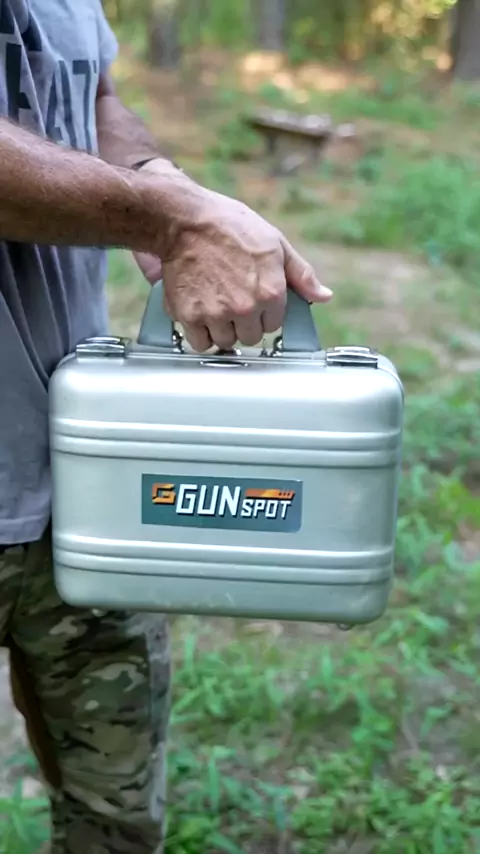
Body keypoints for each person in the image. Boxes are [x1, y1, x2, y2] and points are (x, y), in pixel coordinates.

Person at [0, 2, 333, 852]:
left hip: (87, 483)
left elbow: (95, 98)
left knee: (116, 814)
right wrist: (164, 217)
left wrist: (165, 182)